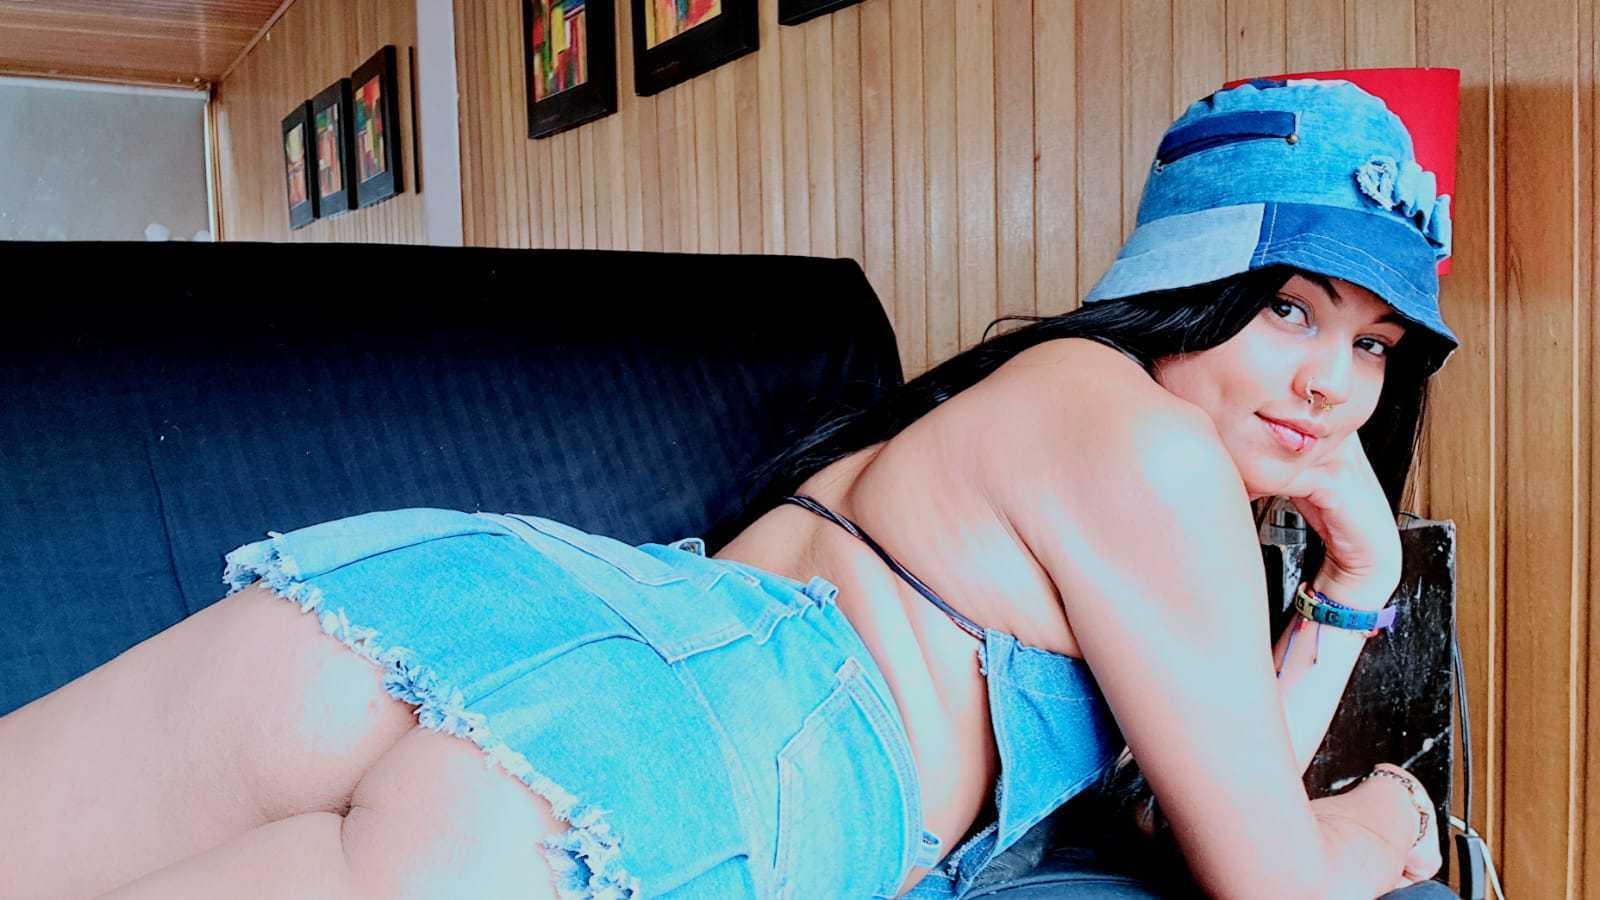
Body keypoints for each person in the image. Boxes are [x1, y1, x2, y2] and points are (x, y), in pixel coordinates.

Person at [0, 72, 1462, 899]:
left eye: (1372, 344)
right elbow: (1263, 872)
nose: (1331, 384)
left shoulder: (1012, 400)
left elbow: (1202, 793)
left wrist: (1344, 581)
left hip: (472, 611)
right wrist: (1390, 810)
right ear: (1188, 288)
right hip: (679, 775)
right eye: (1290, 308)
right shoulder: (1155, 457)